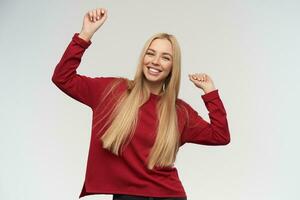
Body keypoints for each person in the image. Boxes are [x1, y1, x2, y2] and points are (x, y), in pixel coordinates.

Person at [52, 7, 230, 200]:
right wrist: (85, 34)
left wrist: (210, 92)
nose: (155, 61)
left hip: (169, 195)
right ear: (143, 57)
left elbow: (220, 135)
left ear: (172, 66)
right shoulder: (112, 91)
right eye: (150, 53)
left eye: (165, 57)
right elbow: (63, 78)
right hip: (128, 196)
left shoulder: (179, 112)